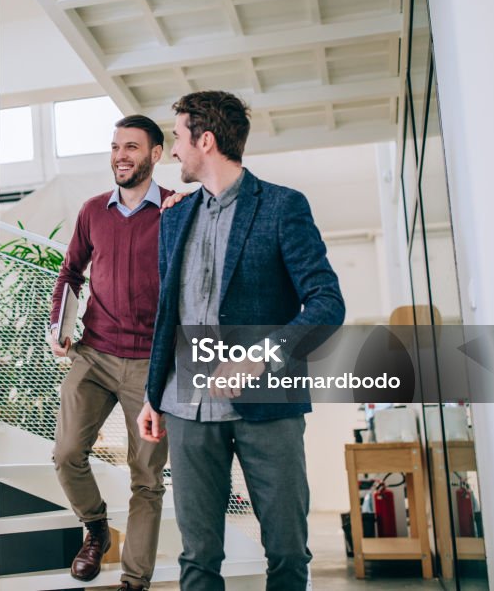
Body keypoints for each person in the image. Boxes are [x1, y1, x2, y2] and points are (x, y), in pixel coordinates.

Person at [137, 91, 345, 591]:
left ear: (205, 140)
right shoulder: (173, 217)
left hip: (268, 406)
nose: (172, 153)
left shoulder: (282, 207)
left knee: (288, 550)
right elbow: (170, 312)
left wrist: (260, 355)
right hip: (186, 407)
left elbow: (326, 304)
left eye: (178, 139)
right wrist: (153, 393)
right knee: (198, 557)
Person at [48, 115, 174, 590]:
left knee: (146, 477)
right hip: (94, 354)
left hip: (150, 365)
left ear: (155, 155)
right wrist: (59, 326)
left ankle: (134, 582)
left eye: (133, 147)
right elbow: (70, 274)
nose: (121, 155)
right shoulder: (93, 211)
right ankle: (96, 527)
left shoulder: (175, 211)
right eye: (116, 146)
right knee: (65, 453)